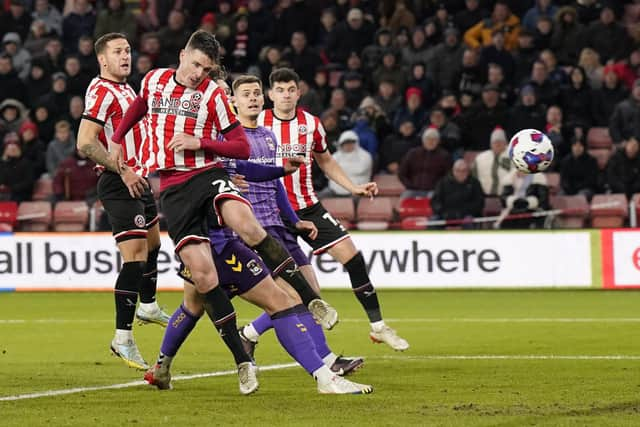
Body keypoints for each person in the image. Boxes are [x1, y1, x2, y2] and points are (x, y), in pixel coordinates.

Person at [112, 31, 337, 393]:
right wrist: (119, 138)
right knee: (195, 298)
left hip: (208, 182)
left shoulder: (215, 101)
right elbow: (140, 104)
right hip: (174, 191)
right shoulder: (154, 80)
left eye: (207, 68)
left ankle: (312, 328)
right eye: (196, 64)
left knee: (249, 235)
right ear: (182, 54)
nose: (199, 73)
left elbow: (241, 156)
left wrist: (200, 142)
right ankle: (179, 365)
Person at [144, 74, 371, 394]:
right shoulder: (191, 145)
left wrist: (280, 170)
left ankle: (323, 374)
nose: (221, 100)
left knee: (205, 306)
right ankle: (296, 363)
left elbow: (246, 170)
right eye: (221, 95)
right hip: (210, 246)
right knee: (206, 306)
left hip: (228, 242)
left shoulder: (224, 142)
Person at [258, 68, 409, 351]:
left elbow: (326, 161)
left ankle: (378, 327)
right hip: (272, 213)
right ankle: (251, 334)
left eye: (291, 89)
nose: (286, 95)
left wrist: (353, 188)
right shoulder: (258, 122)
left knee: (352, 258)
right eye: (280, 90)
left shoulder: (311, 124)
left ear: (299, 92)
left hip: (308, 206)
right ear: (271, 94)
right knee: (297, 290)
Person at [76, 33, 171, 371]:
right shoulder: (102, 90)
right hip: (119, 181)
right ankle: (123, 337)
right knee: (135, 258)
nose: (126, 56)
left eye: (128, 50)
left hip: (138, 179)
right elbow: (85, 142)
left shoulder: (128, 89)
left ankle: (147, 304)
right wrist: (124, 170)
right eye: (118, 52)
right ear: (102, 59)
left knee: (154, 243)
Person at [399, 126, 452, 199]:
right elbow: (401, 173)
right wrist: (410, 185)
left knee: (433, 203)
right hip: (413, 189)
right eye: (428, 139)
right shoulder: (413, 154)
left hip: (434, 191)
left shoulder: (444, 156)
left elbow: (448, 176)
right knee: (402, 203)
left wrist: (438, 188)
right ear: (423, 140)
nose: (430, 142)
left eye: (434, 139)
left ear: (438, 141)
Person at [431, 159, 484, 228]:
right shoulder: (443, 182)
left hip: (466, 214)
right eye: (458, 170)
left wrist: (463, 212)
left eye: (464, 171)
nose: (461, 173)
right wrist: (444, 212)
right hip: (445, 214)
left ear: (468, 171)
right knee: (433, 221)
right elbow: (435, 201)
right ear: (453, 170)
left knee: (469, 221)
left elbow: (479, 203)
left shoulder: (475, 183)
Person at [472, 126, 512, 197]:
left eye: (500, 142)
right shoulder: (480, 158)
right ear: (490, 144)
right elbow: (474, 177)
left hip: (507, 195)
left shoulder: (514, 157)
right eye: (495, 142)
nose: (497, 144)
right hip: (484, 195)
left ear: (506, 143)